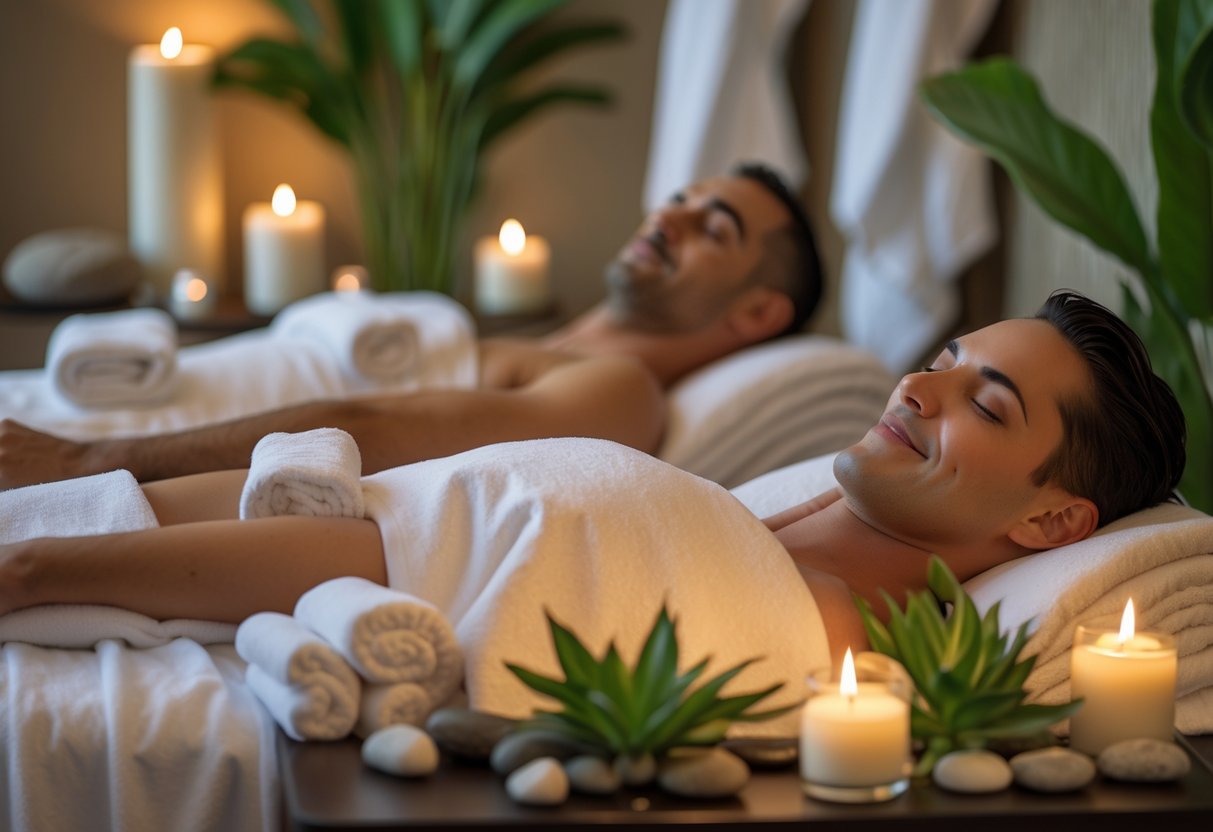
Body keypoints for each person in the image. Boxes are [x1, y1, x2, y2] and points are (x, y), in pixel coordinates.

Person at [0, 291, 1186, 670]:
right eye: (944, 359)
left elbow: (392, 555)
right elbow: (408, 523)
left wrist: (37, 563)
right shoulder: (769, 530)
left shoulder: (810, 620)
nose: (920, 390)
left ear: (1050, 518)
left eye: (987, 402)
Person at [0, 162, 823, 490]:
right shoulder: (552, 345)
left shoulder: (617, 388)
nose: (670, 217)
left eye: (713, 228)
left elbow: (374, 430)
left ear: (756, 312)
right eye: (680, 198)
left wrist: (91, 460)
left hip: (109, 444)